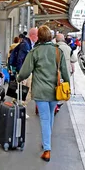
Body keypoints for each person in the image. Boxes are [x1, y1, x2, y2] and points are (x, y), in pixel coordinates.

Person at [17, 25, 69, 162]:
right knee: (50, 116)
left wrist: (18, 79)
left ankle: (47, 149)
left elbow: (25, 71)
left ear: (39, 37)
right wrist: (68, 85)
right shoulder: (58, 52)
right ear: (51, 37)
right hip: (55, 91)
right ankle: (47, 142)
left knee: (45, 119)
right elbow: (64, 71)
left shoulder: (35, 52)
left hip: (40, 91)